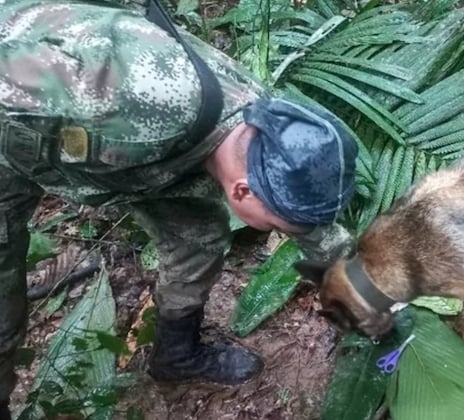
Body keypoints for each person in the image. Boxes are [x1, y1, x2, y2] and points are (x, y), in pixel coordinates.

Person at [0, 0, 359, 417]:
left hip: (118, 150)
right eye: (277, 227)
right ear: (242, 192)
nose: (288, 232)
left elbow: (304, 219)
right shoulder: (129, 108)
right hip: (16, 123)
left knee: (198, 237)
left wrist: (367, 286)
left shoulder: (266, 125)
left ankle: (176, 354)